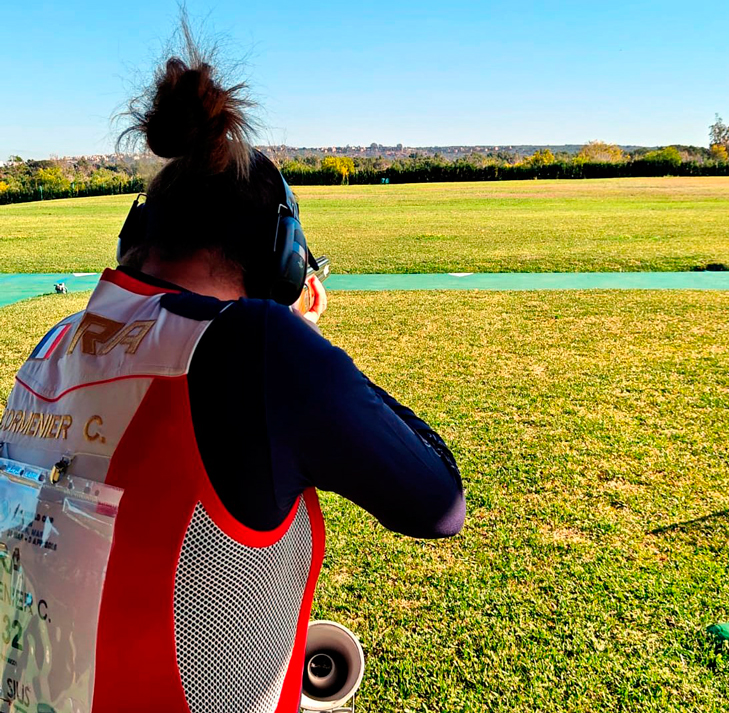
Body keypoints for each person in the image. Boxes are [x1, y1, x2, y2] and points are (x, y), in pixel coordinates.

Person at [0, 42, 464, 713]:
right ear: (277, 259)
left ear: (137, 234)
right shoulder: (255, 346)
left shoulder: (49, 349)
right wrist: (299, 340)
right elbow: (438, 501)